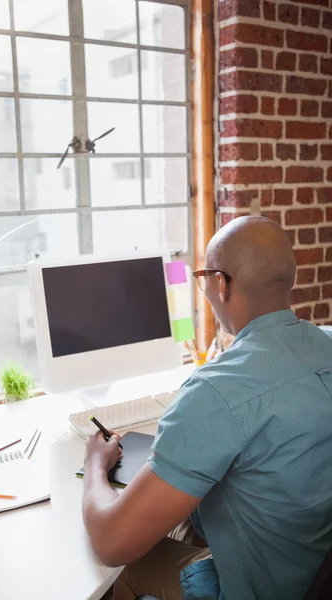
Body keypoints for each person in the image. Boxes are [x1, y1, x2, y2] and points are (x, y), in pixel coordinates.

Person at [82, 216, 332, 600]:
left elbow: (111, 542)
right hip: (310, 567)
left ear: (220, 283)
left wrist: (96, 466)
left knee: (130, 563)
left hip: (258, 588)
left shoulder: (215, 391)